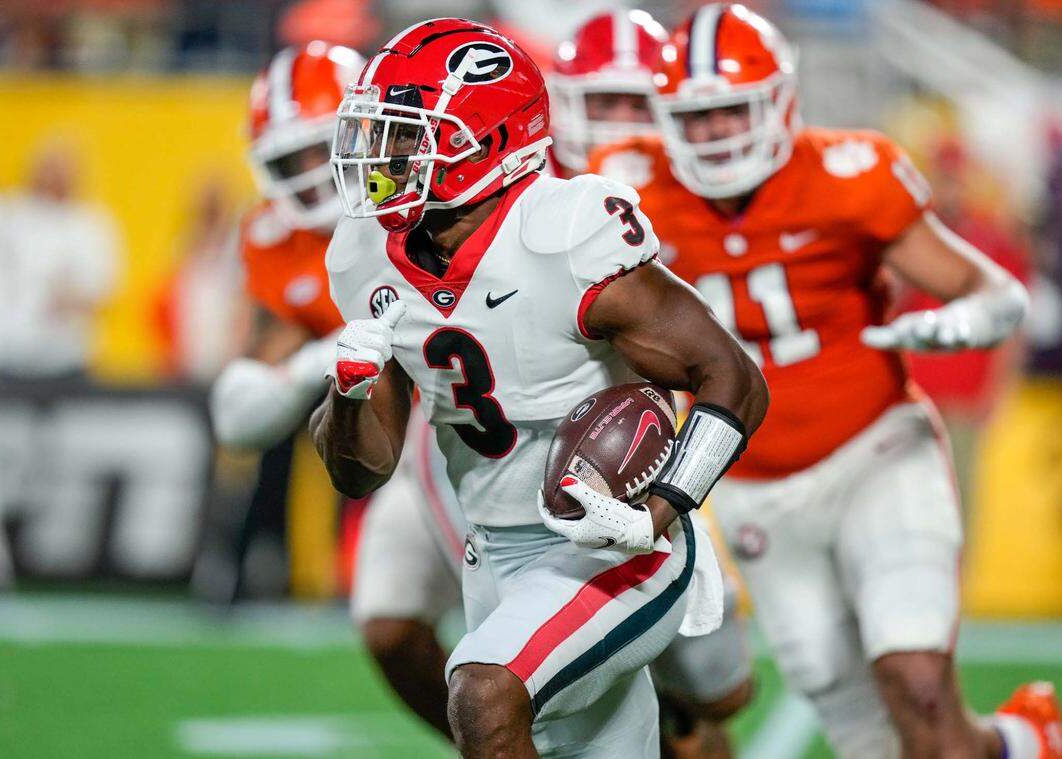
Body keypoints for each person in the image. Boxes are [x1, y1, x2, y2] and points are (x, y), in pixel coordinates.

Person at [590, 5, 1062, 759]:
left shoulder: (852, 173)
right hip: (751, 485)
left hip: (875, 453)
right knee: (862, 730)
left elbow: (994, 288)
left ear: (780, 101)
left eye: (731, 111)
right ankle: (1019, 742)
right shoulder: (631, 185)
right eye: (698, 115)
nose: (716, 134)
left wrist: (974, 318)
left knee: (916, 681)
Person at [314, 17, 768, 758]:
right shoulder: (365, 255)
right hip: (489, 549)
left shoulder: (561, 234)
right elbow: (359, 470)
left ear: (484, 143)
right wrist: (349, 393)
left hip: (612, 544)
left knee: (484, 691)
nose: (383, 155)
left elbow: (733, 378)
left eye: (406, 135)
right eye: (382, 132)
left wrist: (659, 510)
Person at [205, 41, 460, 740]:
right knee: (388, 623)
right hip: (412, 455)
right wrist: (330, 349)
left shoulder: (437, 196)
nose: (322, 176)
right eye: (294, 162)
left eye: (329, 147)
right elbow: (243, 406)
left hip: (486, 428)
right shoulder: (278, 238)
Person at [550, 11, 755, 759]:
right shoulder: (525, 204)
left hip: (671, 447)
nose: (623, 126)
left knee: (713, 688)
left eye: (639, 103)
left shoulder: (693, 193)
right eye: (606, 104)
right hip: (554, 462)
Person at [0, 143, 118, 380]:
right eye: (47, 167)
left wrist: (70, 298)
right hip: (9, 355)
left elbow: (103, 291)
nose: (52, 176)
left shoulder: (90, 224)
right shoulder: (13, 216)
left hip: (66, 359)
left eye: (60, 169)